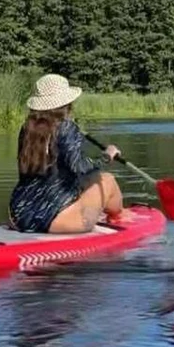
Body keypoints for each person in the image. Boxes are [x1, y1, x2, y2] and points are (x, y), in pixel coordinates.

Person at [9, 73, 130, 234]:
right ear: (67, 103)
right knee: (107, 180)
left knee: (87, 180)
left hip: (18, 215)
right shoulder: (66, 127)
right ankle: (119, 217)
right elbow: (78, 167)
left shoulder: (27, 129)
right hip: (53, 220)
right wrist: (106, 157)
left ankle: (100, 212)